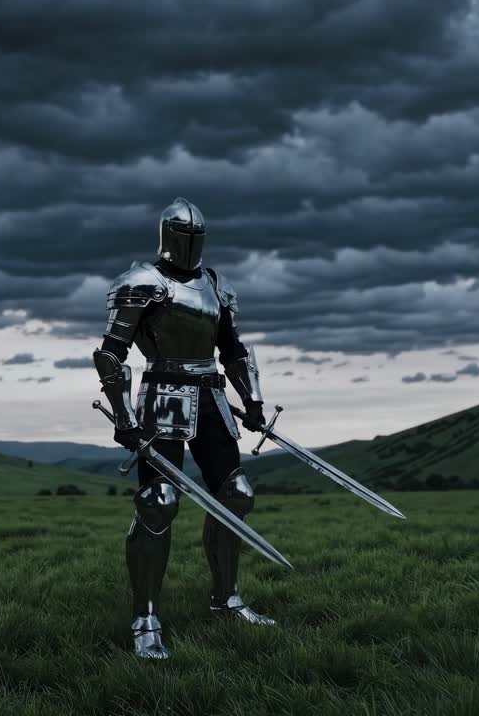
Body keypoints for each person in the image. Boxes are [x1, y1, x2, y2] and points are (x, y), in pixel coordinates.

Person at [91, 197, 273, 660]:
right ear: (167, 236)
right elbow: (111, 353)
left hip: (211, 395)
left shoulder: (217, 285)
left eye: (198, 238)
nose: (192, 245)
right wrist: (125, 419)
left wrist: (251, 402)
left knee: (236, 494)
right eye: (184, 236)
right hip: (163, 396)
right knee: (158, 502)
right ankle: (145, 617)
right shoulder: (141, 282)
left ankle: (227, 599)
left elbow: (233, 349)